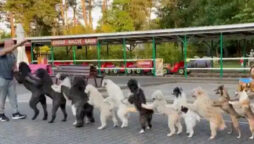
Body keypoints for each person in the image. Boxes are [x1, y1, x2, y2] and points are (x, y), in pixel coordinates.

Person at [0, 39, 28, 121]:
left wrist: (15, 70)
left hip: (11, 78)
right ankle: (1, 115)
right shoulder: (1, 51)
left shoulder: (12, 54)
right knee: (2, 97)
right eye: (11, 44)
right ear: (6, 44)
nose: (13, 45)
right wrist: (19, 44)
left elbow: (14, 65)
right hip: (2, 78)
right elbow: (7, 51)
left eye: (13, 44)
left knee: (13, 97)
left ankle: (15, 113)